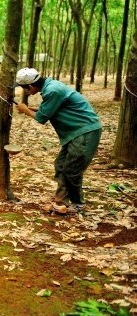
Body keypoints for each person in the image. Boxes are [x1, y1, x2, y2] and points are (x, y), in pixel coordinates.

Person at [15, 67, 102, 213]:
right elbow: (51, 109)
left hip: (84, 131)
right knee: (60, 165)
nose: (25, 92)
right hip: (74, 133)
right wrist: (33, 108)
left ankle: (78, 204)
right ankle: (61, 202)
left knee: (72, 170)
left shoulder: (53, 90)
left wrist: (26, 110)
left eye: (25, 89)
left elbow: (42, 118)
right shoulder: (51, 87)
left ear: (30, 86)